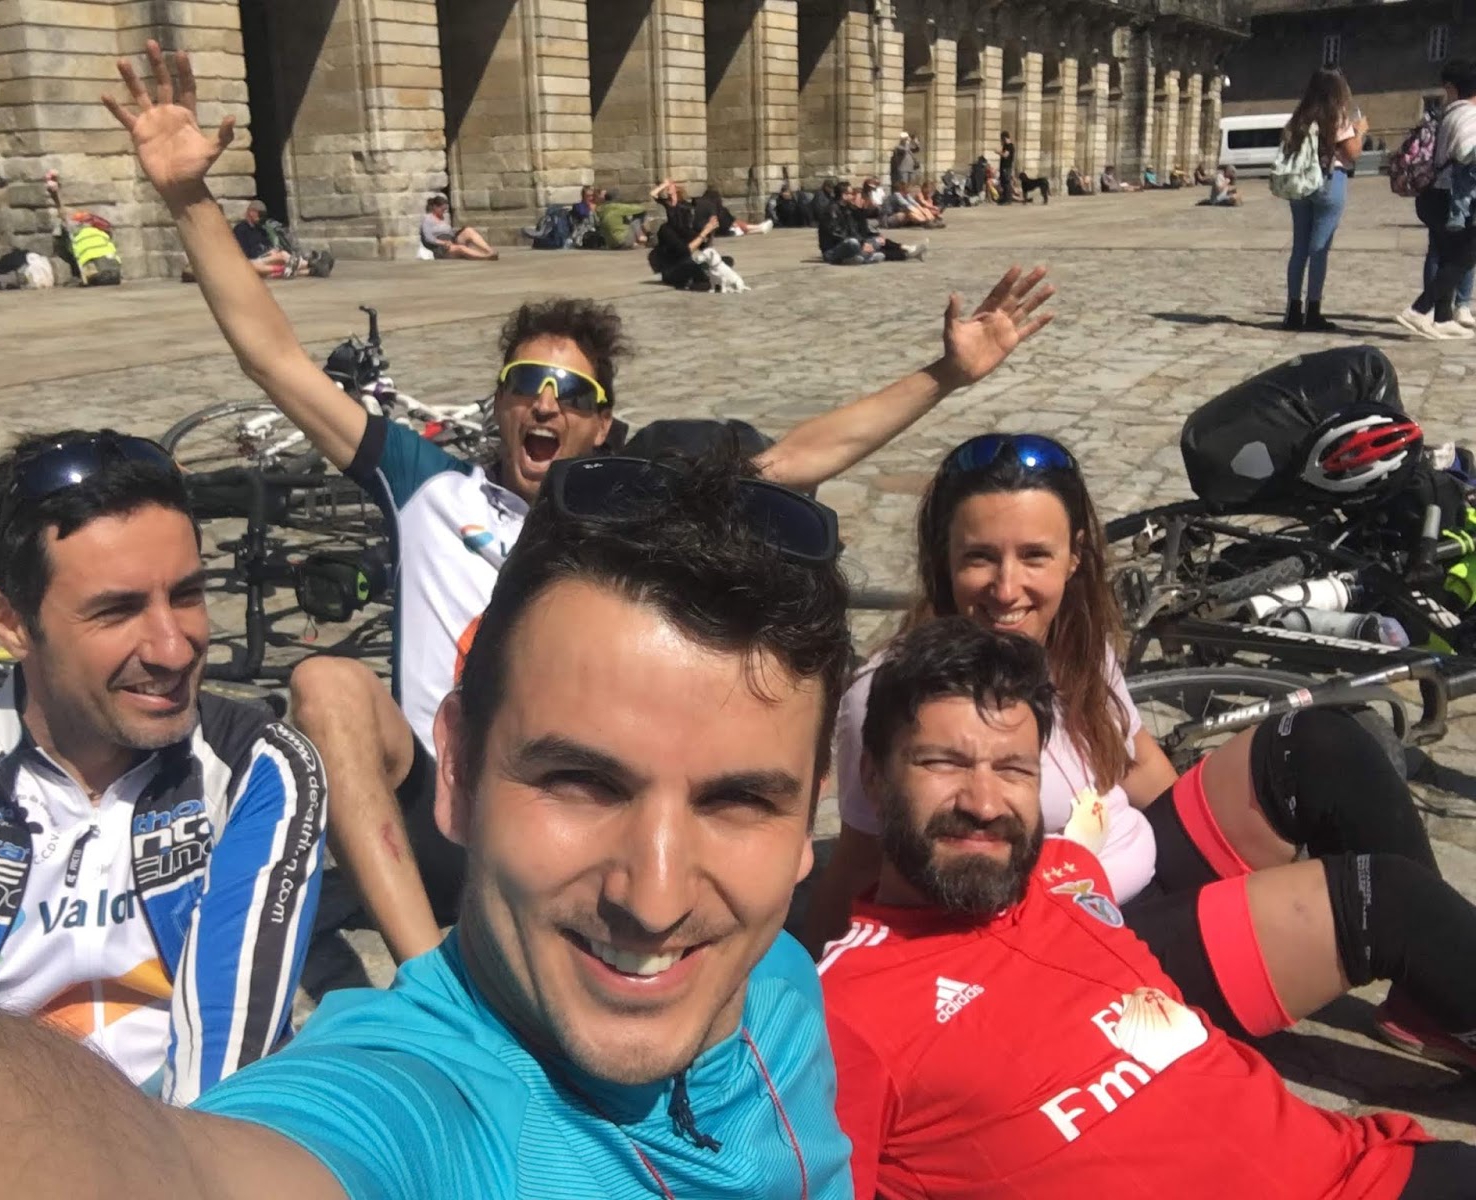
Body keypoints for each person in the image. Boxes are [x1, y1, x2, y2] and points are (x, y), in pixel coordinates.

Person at [106, 41, 1054, 961]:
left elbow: (801, 458)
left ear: (603, 425)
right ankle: (425, 969)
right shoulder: (426, 483)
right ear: (500, 403)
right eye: (527, 383)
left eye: (575, 393)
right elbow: (274, 360)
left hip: (573, 810)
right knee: (325, 684)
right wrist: (189, 199)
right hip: (445, 808)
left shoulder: (631, 506)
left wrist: (945, 374)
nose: (547, 403)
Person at [0, 450, 861, 1200]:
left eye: (740, 801)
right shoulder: (417, 1105)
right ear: (456, 769)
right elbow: (201, 1167)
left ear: (810, 804)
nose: (656, 898)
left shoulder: (776, 979)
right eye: (579, 782)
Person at [809, 432, 1476, 1070]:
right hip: (1080, 942)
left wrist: (1236, 884)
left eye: (1035, 556)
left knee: (1325, 742)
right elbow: (861, 871)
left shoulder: (1071, 640)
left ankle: (1432, 996)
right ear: (944, 558)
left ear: (1075, 555)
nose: (1007, 589)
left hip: (1141, 864)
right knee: (1379, 901)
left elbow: (1139, 765)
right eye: (980, 556)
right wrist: (805, 988)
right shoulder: (894, 694)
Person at [821, 617, 1476, 1200]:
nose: (985, 802)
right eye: (944, 763)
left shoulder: (1067, 872)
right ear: (873, 778)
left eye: (1014, 769)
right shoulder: (843, 1018)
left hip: (1372, 1168)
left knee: (1351, 812)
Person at [0, 430, 327, 1106]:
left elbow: (222, 1077)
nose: (173, 649)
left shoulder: (258, 768)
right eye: (117, 610)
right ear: (8, 622)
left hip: (188, 1137)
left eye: (187, 594)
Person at [1280, 68, 1365, 332]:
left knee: (1299, 248)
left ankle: (1293, 310)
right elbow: (1352, 153)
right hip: (1328, 181)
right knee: (1319, 249)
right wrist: (1360, 131)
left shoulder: (1299, 117)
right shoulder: (1337, 117)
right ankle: (1313, 310)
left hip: (1300, 185)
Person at [1397, 59, 1476, 341]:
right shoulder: (1469, 115)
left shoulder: (1450, 112)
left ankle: (1442, 318)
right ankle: (1419, 310)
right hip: (1455, 199)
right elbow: (1466, 149)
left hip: (1438, 194)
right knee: (1465, 256)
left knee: (1448, 256)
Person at [231, 199, 332, 278]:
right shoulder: (241, 229)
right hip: (253, 260)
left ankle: (313, 271)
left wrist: (271, 250)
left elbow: (267, 243)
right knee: (283, 256)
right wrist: (265, 253)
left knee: (282, 264)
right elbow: (244, 252)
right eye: (260, 214)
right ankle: (312, 264)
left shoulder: (260, 229)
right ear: (251, 212)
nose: (262, 217)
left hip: (264, 259)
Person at [421, 194, 498, 261]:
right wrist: (443, 242)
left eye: (445, 209)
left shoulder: (444, 217)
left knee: (468, 230)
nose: (444, 211)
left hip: (451, 240)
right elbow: (428, 238)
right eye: (442, 209)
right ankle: (485, 257)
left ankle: (490, 251)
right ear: (435, 207)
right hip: (440, 247)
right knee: (460, 248)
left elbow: (450, 232)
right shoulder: (428, 219)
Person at [997, 131, 1016, 205]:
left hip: (1006, 167)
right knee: (1003, 182)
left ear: (1004, 138)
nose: (1001, 141)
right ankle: (1004, 198)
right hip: (1004, 167)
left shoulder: (1009, 146)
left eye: (1002, 139)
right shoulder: (1006, 145)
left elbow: (1005, 155)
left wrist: (998, 152)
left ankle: (1008, 200)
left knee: (1006, 183)